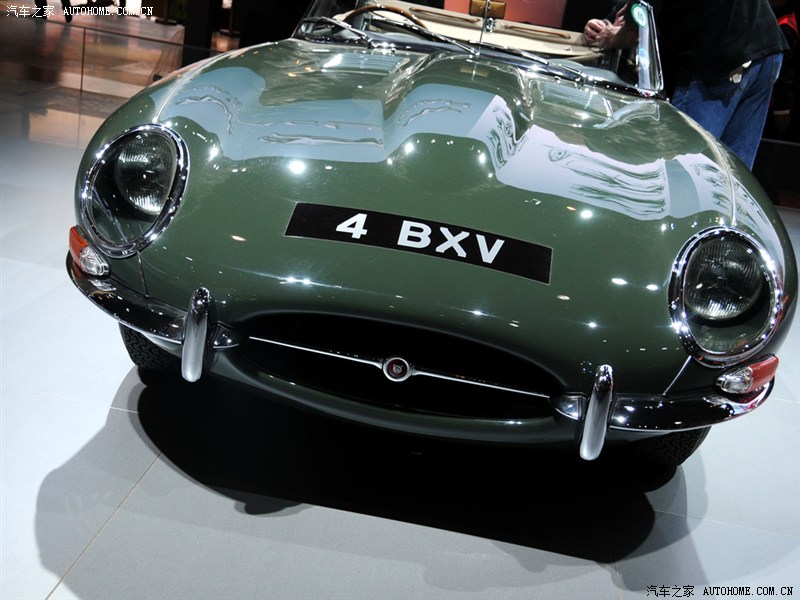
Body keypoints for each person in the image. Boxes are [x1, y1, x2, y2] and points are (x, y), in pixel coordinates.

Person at [597, 1, 789, 170]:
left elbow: (637, 24)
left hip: (724, 58)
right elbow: (635, 9)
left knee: (683, 165)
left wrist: (611, 38)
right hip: (767, 50)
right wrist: (607, 22)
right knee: (736, 173)